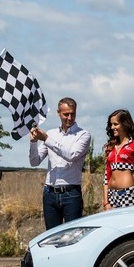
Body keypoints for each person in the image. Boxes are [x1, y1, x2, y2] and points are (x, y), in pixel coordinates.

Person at [29, 97, 91, 230]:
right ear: (58, 113)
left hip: (71, 193)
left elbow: (71, 155)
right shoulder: (51, 133)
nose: (70, 118)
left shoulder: (83, 135)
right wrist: (33, 142)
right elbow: (34, 161)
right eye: (66, 114)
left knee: (72, 234)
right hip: (50, 193)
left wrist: (46, 139)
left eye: (72, 114)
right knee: (51, 235)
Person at [103, 109, 134, 210]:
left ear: (124, 124)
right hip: (111, 195)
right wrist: (106, 201)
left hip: (127, 193)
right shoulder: (111, 146)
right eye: (111, 124)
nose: (112, 127)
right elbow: (107, 174)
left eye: (116, 124)